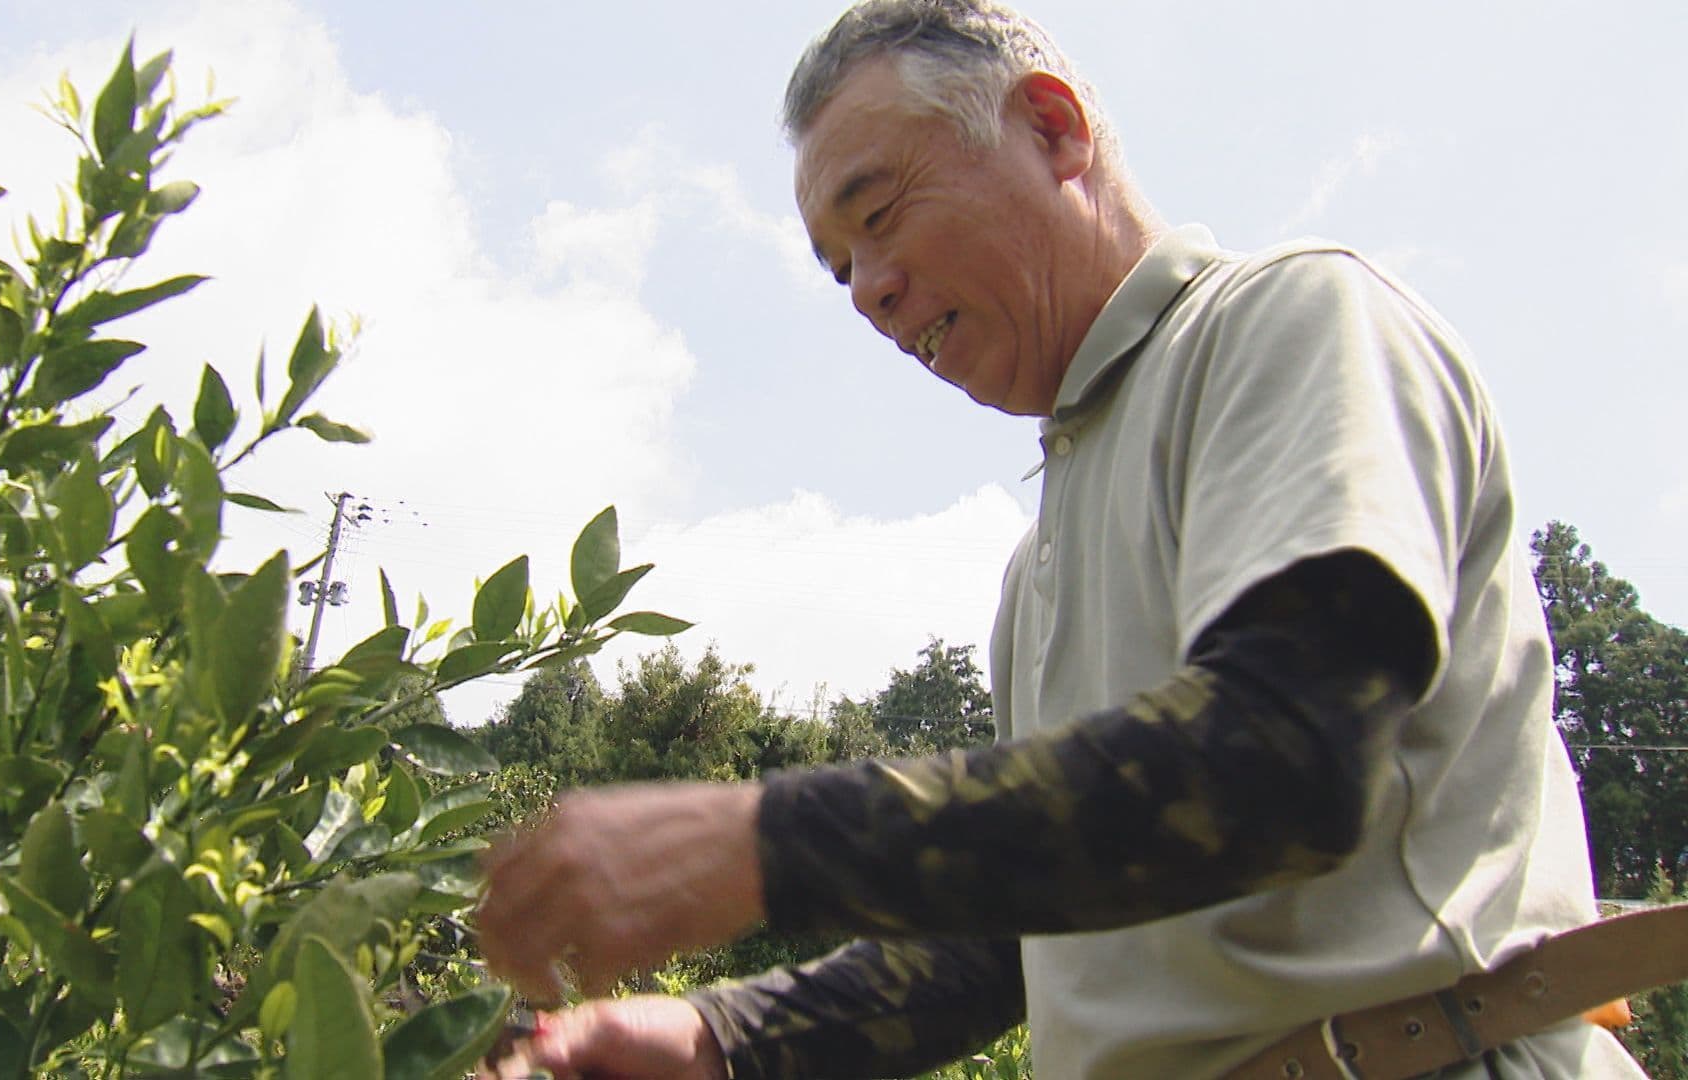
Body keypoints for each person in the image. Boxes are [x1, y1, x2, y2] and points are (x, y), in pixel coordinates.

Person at [472, 1, 1646, 1076]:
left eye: (879, 216)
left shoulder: (1289, 322)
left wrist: (769, 836)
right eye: (840, 275)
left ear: (1054, 128)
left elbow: (1279, 760)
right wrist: (718, 1035)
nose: (871, 293)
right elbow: (1024, 940)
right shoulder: (1033, 578)